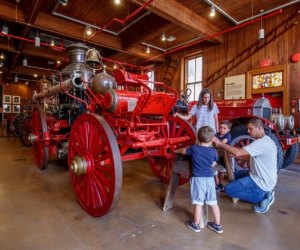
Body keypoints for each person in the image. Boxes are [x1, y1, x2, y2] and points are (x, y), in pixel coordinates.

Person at [213, 118, 277, 214]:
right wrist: (234, 155)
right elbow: (252, 158)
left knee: (228, 189)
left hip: (261, 181)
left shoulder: (261, 143)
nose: (248, 131)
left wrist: (220, 143)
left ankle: (264, 196)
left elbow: (238, 152)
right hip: (257, 175)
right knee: (233, 176)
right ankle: (259, 191)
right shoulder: (266, 140)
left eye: (250, 129)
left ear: (259, 128)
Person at [177, 126, 223, 234]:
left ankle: (196, 224)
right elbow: (214, 162)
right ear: (212, 140)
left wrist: (185, 148)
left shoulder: (194, 149)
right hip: (210, 179)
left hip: (198, 179)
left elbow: (183, 151)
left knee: (198, 203)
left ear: (198, 138)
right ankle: (217, 225)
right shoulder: (213, 151)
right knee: (213, 202)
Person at [214, 120, 232, 192]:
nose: (221, 129)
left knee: (226, 171)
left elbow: (220, 144)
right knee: (217, 172)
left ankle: (229, 185)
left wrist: (215, 141)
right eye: (220, 127)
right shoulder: (217, 134)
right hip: (218, 157)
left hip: (225, 158)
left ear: (228, 129)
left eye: (224, 128)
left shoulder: (228, 135)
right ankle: (219, 184)